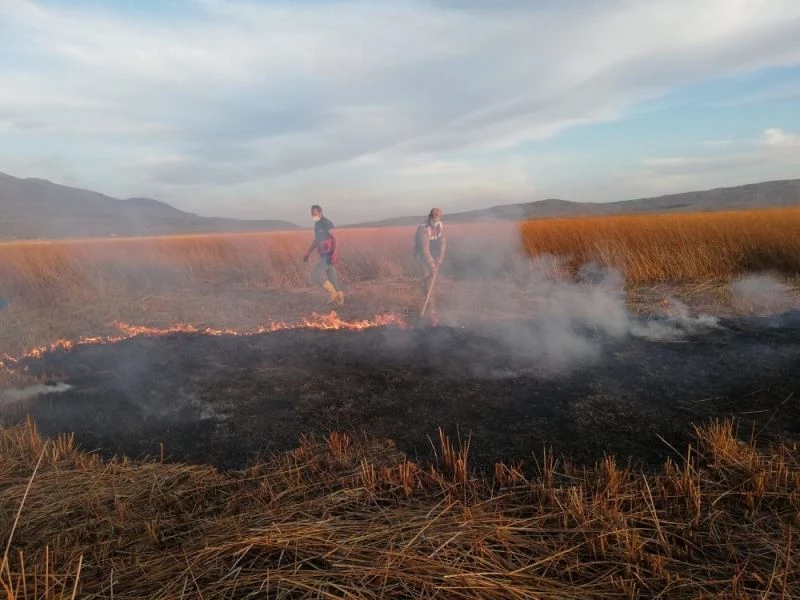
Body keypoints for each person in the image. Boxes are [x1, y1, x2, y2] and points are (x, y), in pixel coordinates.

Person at [303, 205, 344, 306]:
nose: (313, 215)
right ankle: (340, 303)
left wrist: (335, 254)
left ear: (320, 212)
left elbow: (336, 239)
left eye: (315, 213)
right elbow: (316, 241)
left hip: (329, 255)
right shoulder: (317, 225)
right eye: (312, 214)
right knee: (333, 279)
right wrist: (308, 252)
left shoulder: (326, 223)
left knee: (315, 275)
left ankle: (332, 294)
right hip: (323, 255)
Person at [414, 208, 446, 325]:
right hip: (422, 257)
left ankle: (431, 308)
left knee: (432, 280)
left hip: (434, 256)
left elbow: (443, 242)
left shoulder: (440, 226)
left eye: (439, 217)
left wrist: (440, 258)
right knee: (427, 280)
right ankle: (429, 310)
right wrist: (432, 265)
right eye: (434, 218)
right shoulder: (423, 229)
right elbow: (425, 250)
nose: (437, 220)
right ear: (430, 217)